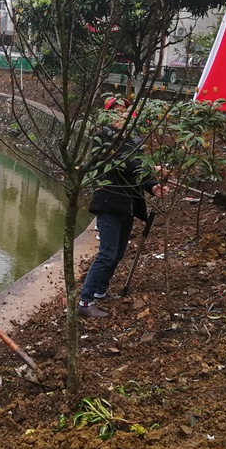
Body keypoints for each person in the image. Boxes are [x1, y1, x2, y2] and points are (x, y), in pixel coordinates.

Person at [78, 97, 164, 318]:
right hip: (109, 202)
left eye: (124, 112)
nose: (121, 116)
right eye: (115, 112)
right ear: (107, 116)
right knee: (106, 254)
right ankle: (85, 302)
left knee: (118, 253)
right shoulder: (102, 139)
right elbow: (122, 163)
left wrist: (153, 186)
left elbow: (138, 173)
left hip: (128, 203)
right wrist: (151, 167)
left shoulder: (133, 140)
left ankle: (99, 291)